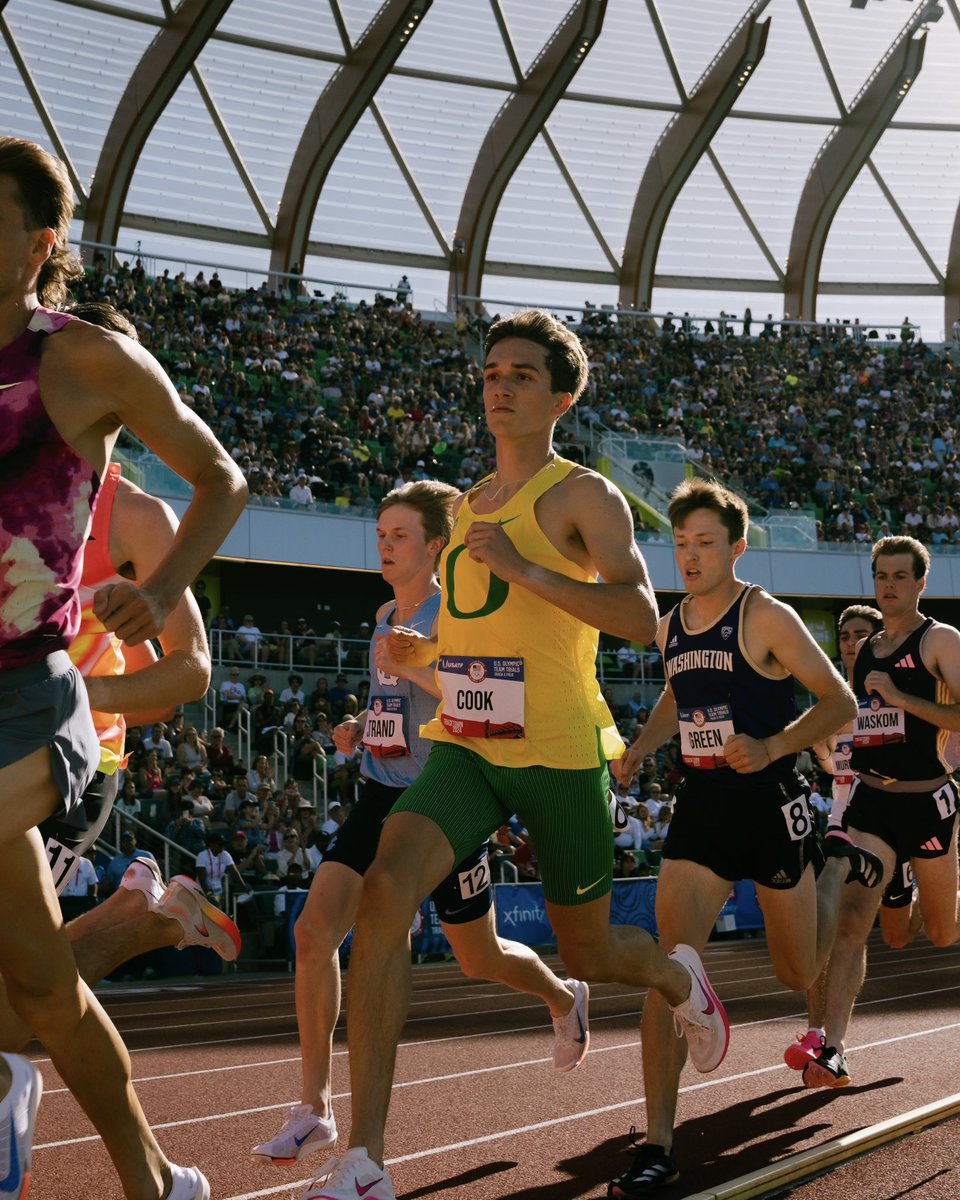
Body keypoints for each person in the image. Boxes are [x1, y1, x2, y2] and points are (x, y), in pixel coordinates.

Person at [301, 311, 728, 1200]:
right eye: (492, 372)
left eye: (522, 375)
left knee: (590, 950)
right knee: (384, 891)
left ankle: (676, 979)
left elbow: (638, 617)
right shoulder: (465, 507)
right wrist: (425, 655)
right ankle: (365, 1160)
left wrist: (530, 570)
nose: (500, 386)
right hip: (467, 744)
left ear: (561, 398)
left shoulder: (583, 497)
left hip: (560, 752)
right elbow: (477, 633)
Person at [0, 136, 245, 1200]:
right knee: (46, 993)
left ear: (39, 244)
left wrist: (162, 586)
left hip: (33, 699)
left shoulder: (81, 360)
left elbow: (221, 476)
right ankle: (160, 1184)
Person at [251, 479, 604, 1173]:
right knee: (314, 931)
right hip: (380, 795)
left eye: (400, 536)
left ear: (436, 545)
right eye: (381, 534)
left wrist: (423, 664)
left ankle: (564, 995)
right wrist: (359, 725)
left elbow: (484, 700)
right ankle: (316, 1107)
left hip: (443, 803)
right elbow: (390, 702)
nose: (385, 546)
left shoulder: (458, 615)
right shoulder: (384, 615)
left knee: (479, 957)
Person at [608, 478, 880, 1199]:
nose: (690, 556)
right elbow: (676, 694)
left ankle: (831, 867)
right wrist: (641, 747)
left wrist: (773, 746)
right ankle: (657, 1146)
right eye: (681, 543)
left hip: (772, 805)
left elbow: (840, 701)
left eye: (705, 543)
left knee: (798, 972)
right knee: (672, 969)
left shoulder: (766, 615)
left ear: (736, 547)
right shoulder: (671, 625)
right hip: (703, 808)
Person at [805, 536, 960, 1089]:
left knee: (939, 933)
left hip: (928, 801)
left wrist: (903, 697)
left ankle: (922, 887)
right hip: (872, 803)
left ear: (921, 582)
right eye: (881, 576)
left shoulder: (940, 639)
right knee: (853, 923)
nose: (889, 585)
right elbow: (859, 722)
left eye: (900, 576)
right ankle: (833, 1049)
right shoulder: (868, 650)